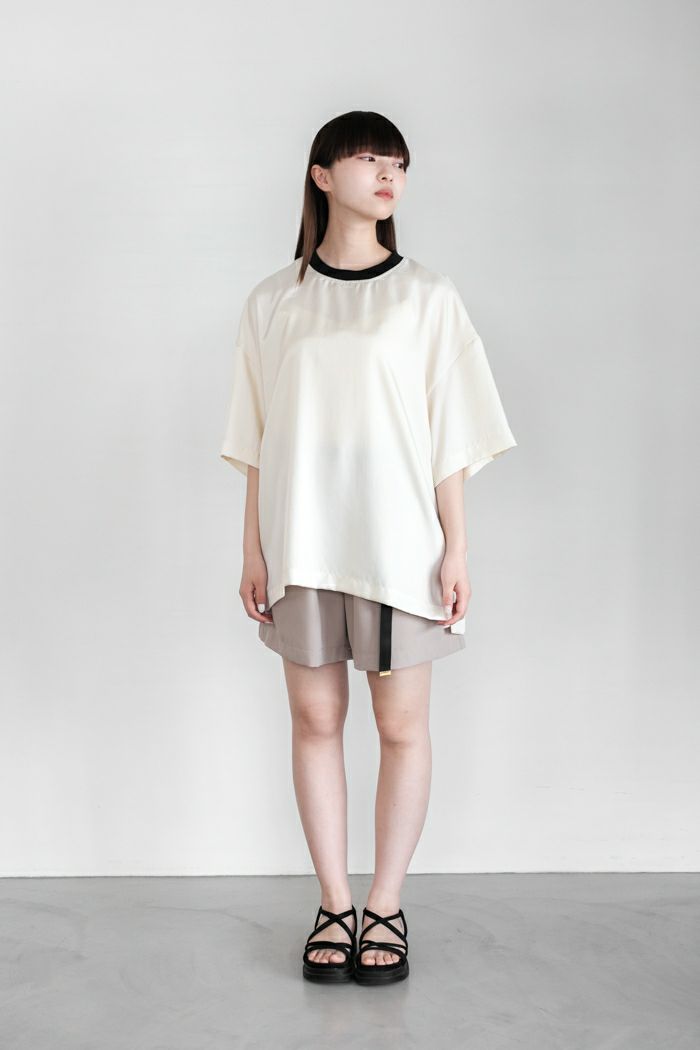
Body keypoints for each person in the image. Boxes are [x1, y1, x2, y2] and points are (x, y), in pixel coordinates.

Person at [220, 110, 517, 985]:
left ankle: (385, 903)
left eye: (399, 163)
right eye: (368, 159)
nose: (388, 175)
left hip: (398, 545)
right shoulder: (275, 301)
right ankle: (332, 903)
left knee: (400, 727)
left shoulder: (427, 296)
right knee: (315, 721)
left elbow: (450, 432)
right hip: (302, 542)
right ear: (322, 175)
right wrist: (253, 548)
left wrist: (457, 547)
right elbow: (255, 438)